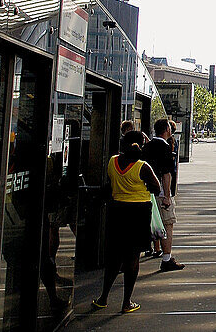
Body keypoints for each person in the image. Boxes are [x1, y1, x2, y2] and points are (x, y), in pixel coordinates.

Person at [93, 131, 162, 314]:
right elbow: (156, 188)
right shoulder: (142, 166)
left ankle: (103, 298)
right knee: (132, 258)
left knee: (115, 257)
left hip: (117, 211)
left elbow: (110, 183)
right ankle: (126, 302)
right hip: (138, 213)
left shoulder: (112, 161)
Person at [143, 119, 184, 271]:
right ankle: (166, 259)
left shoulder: (147, 146)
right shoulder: (165, 148)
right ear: (167, 129)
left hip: (146, 192)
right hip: (161, 193)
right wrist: (167, 195)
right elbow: (166, 174)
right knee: (168, 224)